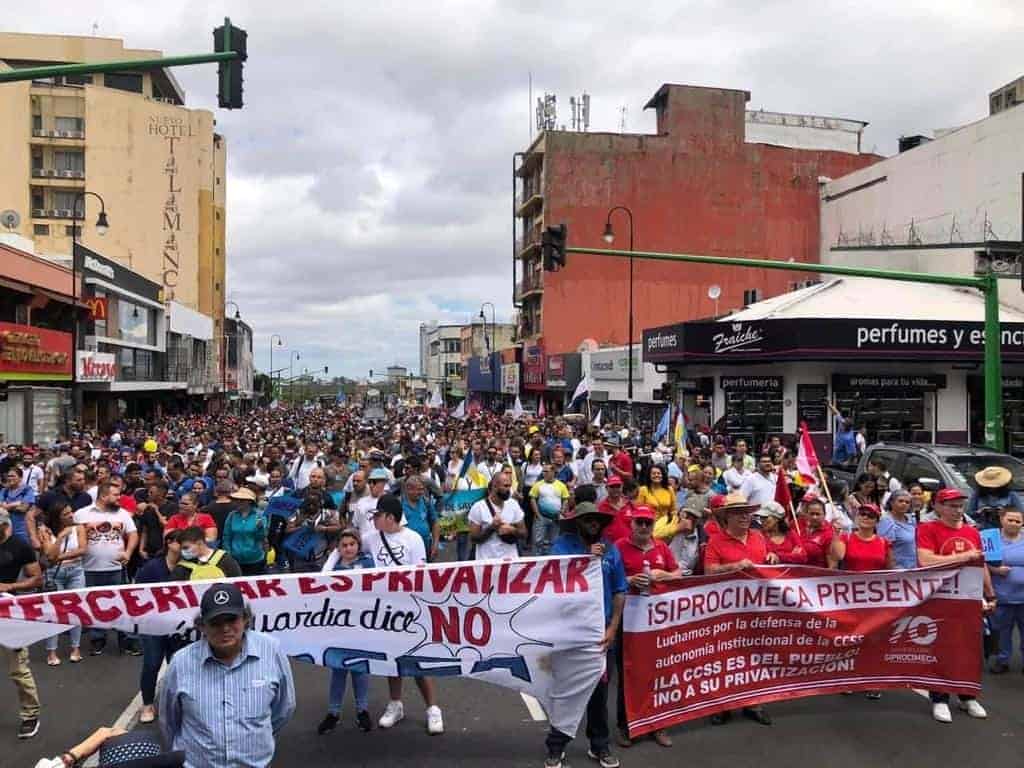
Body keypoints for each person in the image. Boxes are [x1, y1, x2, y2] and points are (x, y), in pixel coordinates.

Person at [159, 582, 296, 767]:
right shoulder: (181, 663)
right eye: (216, 622)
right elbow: (169, 720)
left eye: (232, 619)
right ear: (202, 626)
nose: (225, 629)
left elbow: (284, 709)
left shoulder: (271, 651)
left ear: (245, 619)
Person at [546, 500, 627, 768]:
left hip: (599, 635)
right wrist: (585, 560)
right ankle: (556, 747)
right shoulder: (563, 546)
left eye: (598, 521)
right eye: (588, 520)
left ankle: (599, 746)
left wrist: (613, 627)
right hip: (569, 633)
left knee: (599, 693)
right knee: (566, 691)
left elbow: (619, 591)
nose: (594, 524)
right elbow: (553, 578)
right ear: (578, 522)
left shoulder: (611, 550)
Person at [365, 494, 444, 735]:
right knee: (392, 659)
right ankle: (395, 703)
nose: (374, 520)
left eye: (377, 516)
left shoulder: (413, 539)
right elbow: (343, 548)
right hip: (384, 610)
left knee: (418, 660)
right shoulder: (370, 538)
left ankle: (432, 708)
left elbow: (420, 575)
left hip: (410, 608)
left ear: (390, 517)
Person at [916, 487, 994, 723]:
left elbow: (981, 564)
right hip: (940, 599)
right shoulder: (927, 529)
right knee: (942, 649)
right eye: (951, 506)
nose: (957, 510)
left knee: (970, 649)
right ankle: (939, 698)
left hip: (968, 600)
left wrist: (990, 594)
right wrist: (962, 557)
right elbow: (926, 559)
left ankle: (967, 695)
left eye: (960, 506)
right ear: (938, 507)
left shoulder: (972, 532)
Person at [702, 493, 772, 726]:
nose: (745, 516)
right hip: (728, 610)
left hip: (757, 607)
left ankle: (754, 702)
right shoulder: (715, 541)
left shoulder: (759, 537)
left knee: (756, 655)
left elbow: (768, 560)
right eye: (739, 512)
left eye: (748, 512)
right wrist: (735, 566)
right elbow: (709, 571)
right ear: (727, 517)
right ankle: (723, 705)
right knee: (726, 657)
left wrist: (773, 556)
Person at [614, 504, 679, 748]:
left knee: (658, 671)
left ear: (653, 525)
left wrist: (665, 575)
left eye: (647, 523)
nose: (643, 527)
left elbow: (677, 572)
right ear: (631, 524)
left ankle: (657, 724)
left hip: (657, 621)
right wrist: (628, 580)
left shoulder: (661, 546)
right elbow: (606, 576)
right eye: (639, 522)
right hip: (627, 621)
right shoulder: (619, 547)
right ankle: (626, 725)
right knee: (629, 673)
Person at [317, 528, 375, 735]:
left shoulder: (369, 563)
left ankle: (362, 710)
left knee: (360, 669)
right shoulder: (332, 569)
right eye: (344, 545)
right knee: (338, 669)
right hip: (339, 626)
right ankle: (333, 712)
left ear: (358, 545)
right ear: (338, 549)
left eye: (352, 544)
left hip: (362, 625)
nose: (348, 548)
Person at [74, 481, 139, 656]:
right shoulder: (81, 514)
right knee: (94, 605)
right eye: (116, 495)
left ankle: (126, 639)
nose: (120, 498)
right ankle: (97, 638)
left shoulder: (123, 514)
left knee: (121, 604)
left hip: (116, 568)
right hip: (88, 568)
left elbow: (133, 534)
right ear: (103, 496)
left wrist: (128, 552)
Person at [0, 508, 43, 739]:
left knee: (18, 669)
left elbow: (37, 579)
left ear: (5, 526)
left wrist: (10, 587)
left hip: (9, 613)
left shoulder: (20, 546)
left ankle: (30, 715)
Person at [135, 530, 186, 724]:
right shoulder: (152, 568)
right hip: (153, 624)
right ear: (170, 543)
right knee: (152, 663)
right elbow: (136, 593)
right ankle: (148, 703)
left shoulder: (189, 567)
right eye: (182, 543)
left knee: (178, 664)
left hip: (179, 626)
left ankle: (176, 702)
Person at [38, 500, 87, 665]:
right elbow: (49, 555)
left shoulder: (79, 528)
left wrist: (59, 557)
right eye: (66, 514)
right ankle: (51, 652)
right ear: (56, 517)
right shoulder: (45, 531)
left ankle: (76, 648)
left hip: (76, 571)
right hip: (54, 574)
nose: (71, 515)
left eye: (71, 512)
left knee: (76, 610)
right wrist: (60, 537)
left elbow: (82, 549)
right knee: (54, 612)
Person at [988, 508, 1024, 674]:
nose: (1014, 523)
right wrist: (995, 570)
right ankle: (1003, 660)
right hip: (1002, 595)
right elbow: (982, 561)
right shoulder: (992, 540)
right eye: (1010, 520)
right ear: (1002, 519)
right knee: (1003, 631)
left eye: (1018, 521)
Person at [469, 472, 527, 560]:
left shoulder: (514, 504)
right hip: (486, 561)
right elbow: (474, 538)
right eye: (506, 486)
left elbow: (524, 534)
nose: (509, 489)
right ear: (495, 486)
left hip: (510, 560)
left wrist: (513, 530)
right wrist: (492, 527)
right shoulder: (478, 507)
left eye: (510, 486)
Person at [221, 487, 269, 575]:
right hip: (235, 559)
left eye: (241, 500)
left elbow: (262, 538)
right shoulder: (232, 515)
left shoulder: (259, 516)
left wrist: (260, 528)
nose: (238, 502)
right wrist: (228, 554)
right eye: (237, 500)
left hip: (255, 558)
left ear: (249, 501)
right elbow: (226, 536)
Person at [170, 526, 242, 581]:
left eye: (186, 548)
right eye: (182, 548)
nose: (183, 552)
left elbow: (238, 582)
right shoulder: (182, 567)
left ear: (200, 543)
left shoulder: (225, 559)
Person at [530, 462, 571, 554]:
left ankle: (551, 560)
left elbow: (565, 499)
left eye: (546, 471)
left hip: (555, 518)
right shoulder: (538, 485)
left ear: (553, 472)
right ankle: (535, 560)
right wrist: (537, 514)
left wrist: (561, 512)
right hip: (541, 517)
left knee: (554, 541)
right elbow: (533, 499)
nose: (544, 473)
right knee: (537, 541)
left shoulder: (561, 485)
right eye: (543, 471)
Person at [400, 475, 440, 561]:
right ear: (408, 489)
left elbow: (435, 522)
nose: (421, 492)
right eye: (418, 489)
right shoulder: (399, 503)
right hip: (407, 547)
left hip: (426, 545)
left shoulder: (426, 501)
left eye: (422, 489)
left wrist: (435, 544)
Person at [877, 490, 918, 570]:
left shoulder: (911, 520)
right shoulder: (886, 521)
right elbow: (885, 549)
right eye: (900, 501)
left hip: (914, 568)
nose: (904, 504)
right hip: (898, 570)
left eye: (907, 502)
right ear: (891, 502)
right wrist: (893, 570)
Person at [0, 467, 35, 544]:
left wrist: (6, 507)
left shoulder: (27, 490)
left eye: (13, 476)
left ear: (20, 478)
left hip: (22, 530)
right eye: (9, 476)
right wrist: (17, 503)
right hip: (5, 529)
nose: (10, 478)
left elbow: (23, 508)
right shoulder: (4, 491)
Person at [798, 495, 834, 568]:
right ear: (807, 514)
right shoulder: (801, 530)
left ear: (824, 515)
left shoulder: (829, 534)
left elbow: (832, 566)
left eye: (818, 514)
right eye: (812, 514)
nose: (814, 517)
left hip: (818, 576)